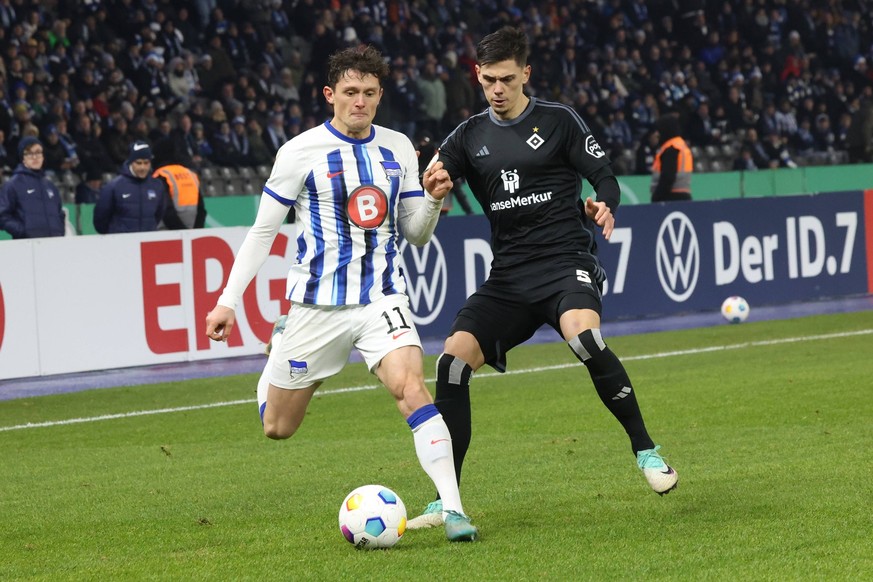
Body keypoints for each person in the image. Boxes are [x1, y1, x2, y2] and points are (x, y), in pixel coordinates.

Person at [405, 27, 678, 529]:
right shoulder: (467, 135)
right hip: (508, 277)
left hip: (564, 261)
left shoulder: (559, 121)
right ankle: (449, 499)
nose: (498, 89)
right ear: (478, 76)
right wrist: (433, 184)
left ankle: (647, 451)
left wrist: (605, 204)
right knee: (450, 363)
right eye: (489, 80)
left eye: (507, 79)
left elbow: (606, 176)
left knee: (585, 338)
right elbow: (435, 175)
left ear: (526, 73)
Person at [203, 46, 478, 543]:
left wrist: (435, 198)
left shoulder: (397, 148)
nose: (360, 102)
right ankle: (278, 350)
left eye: (370, 93)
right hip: (315, 307)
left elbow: (415, 233)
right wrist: (228, 299)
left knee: (412, 388)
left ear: (379, 95)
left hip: (381, 299)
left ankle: (454, 509)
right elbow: (264, 232)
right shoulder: (298, 152)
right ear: (330, 95)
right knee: (278, 428)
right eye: (350, 92)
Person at [93, 140, 167, 234]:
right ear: (131, 162)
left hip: (146, 243)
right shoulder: (113, 187)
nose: (142, 167)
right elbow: (100, 219)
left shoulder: (157, 186)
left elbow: (158, 214)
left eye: (146, 163)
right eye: (138, 163)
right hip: (121, 244)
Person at [0, 136, 65, 239]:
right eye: (29, 153)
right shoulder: (13, 184)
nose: (35, 157)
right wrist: (23, 232)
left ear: (43, 156)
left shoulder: (50, 186)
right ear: (23, 158)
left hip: (53, 246)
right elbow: (2, 215)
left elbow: (60, 214)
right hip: (26, 248)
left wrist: (59, 231)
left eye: (38, 152)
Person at [152, 146, 207, 229]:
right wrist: (194, 233)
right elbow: (201, 210)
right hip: (191, 231)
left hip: (168, 233)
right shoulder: (190, 174)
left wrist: (182, 232)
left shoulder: (161, 175)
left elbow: (166, 210)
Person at [650, 112, 693, 202]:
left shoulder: (671, 149)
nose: (657, 134)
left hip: (670, 198)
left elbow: (668, 177)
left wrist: (656, 197)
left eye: (659, 130)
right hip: (684, 195)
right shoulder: (682, 146)